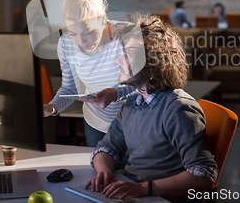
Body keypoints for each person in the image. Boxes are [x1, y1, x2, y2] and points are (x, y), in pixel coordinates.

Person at [86, 15, 217, 200]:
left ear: (150, 61)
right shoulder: (132, 103)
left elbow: (204, 175)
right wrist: (104, 172)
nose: (118, 61)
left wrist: (145, 188)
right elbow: (107, 147)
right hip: (134, 191)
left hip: (159, 197)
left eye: (127, 55)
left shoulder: (178, 109)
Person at [43, 0, 137, 147]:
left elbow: (146, 84)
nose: (81, 41)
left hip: (136, 122)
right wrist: (53, 107)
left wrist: (116, 94)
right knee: (98, 171)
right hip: (96, 123)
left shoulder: (127, 36)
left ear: (102, 20)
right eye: (73, 33)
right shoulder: (65, 44)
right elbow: (70, 88)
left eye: (88, 32)